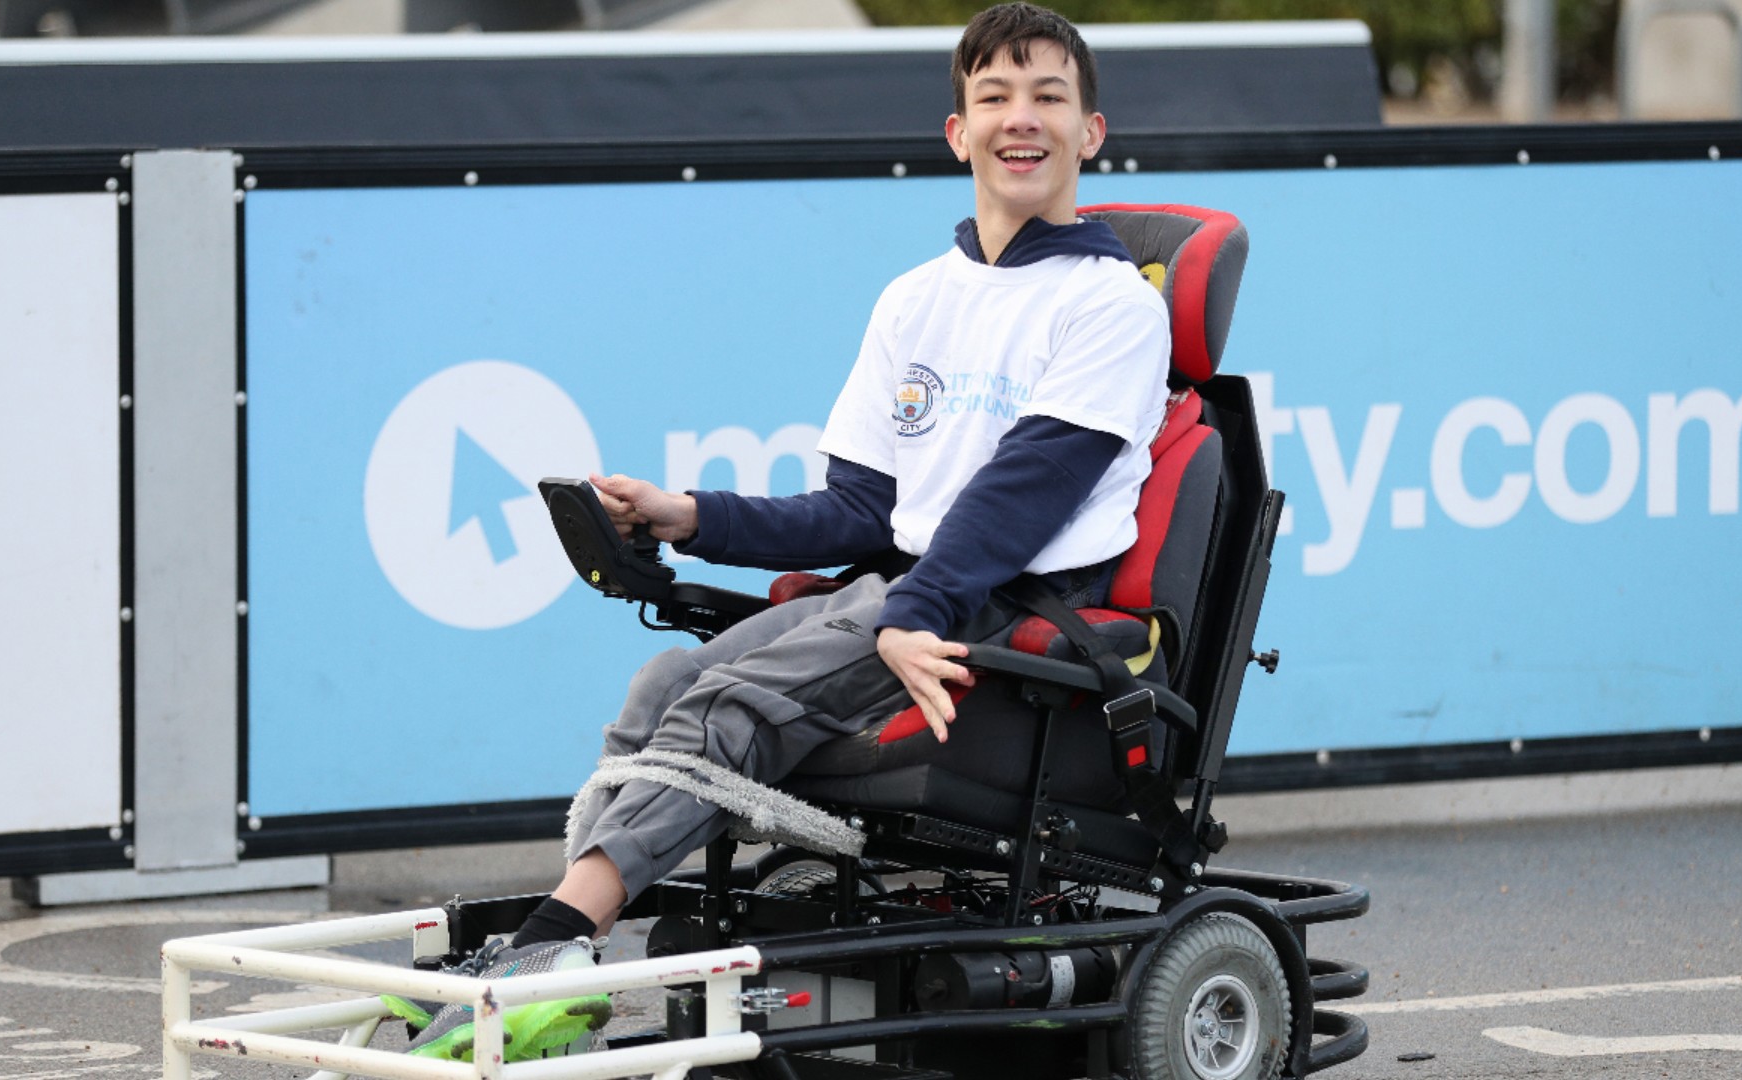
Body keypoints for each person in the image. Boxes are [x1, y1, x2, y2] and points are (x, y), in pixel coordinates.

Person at [394, 2, 1171, 1060]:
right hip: (909, 589)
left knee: (727, 703)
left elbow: (1018, 499)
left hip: (998, 605)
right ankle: (569, 948)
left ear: (1092, 132)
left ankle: (549, 946)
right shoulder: (916, 298)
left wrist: (914, 614)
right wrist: (691, 516)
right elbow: (857, 511)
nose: (1019, 119)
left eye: (1048, 97)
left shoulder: (1111, 303)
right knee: (664, 687)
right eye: (993, 96)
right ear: (958, 132)